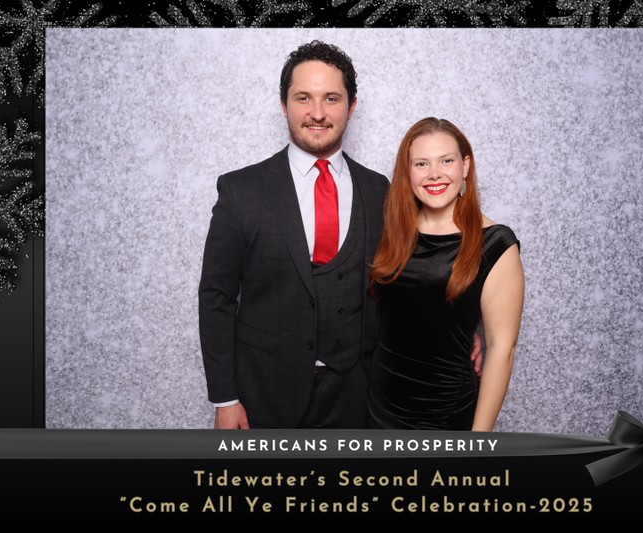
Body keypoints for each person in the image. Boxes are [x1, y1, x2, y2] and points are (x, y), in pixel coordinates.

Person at [198, 40, 389, 429]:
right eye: (304, 98)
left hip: (357, 397)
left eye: (331, 98)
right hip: (263, 397)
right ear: (284, 105)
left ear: (351, 107)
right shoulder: (241, 190)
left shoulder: (378, 189)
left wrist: (459, 323)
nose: (317, 113)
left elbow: (403, 278)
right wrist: (225, 398)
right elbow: (216, 297)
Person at [368, 117, 525, 431]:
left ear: (465, 166)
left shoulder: (495, 244)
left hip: (445, 415)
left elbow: (500, 350)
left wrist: (477, 442)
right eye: (422, 163)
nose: (434, 174)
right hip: (377, 408)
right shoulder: (391, 231)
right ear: (407, 172)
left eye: (446, 161)